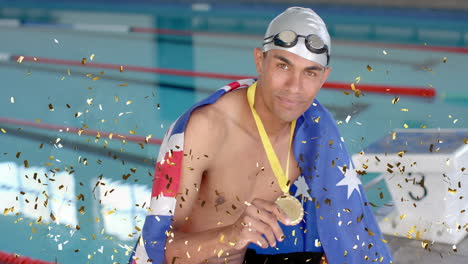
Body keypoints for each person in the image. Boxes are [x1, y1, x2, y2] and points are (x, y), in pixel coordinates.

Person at [129, 7, 393, 264]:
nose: (294, 87)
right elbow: (156, 249)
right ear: (259, 60)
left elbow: (348, 232)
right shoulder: (208, 130)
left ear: (323, 78)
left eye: (309, 72)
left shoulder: (312, 135)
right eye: (283, 66)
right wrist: (231, 236)